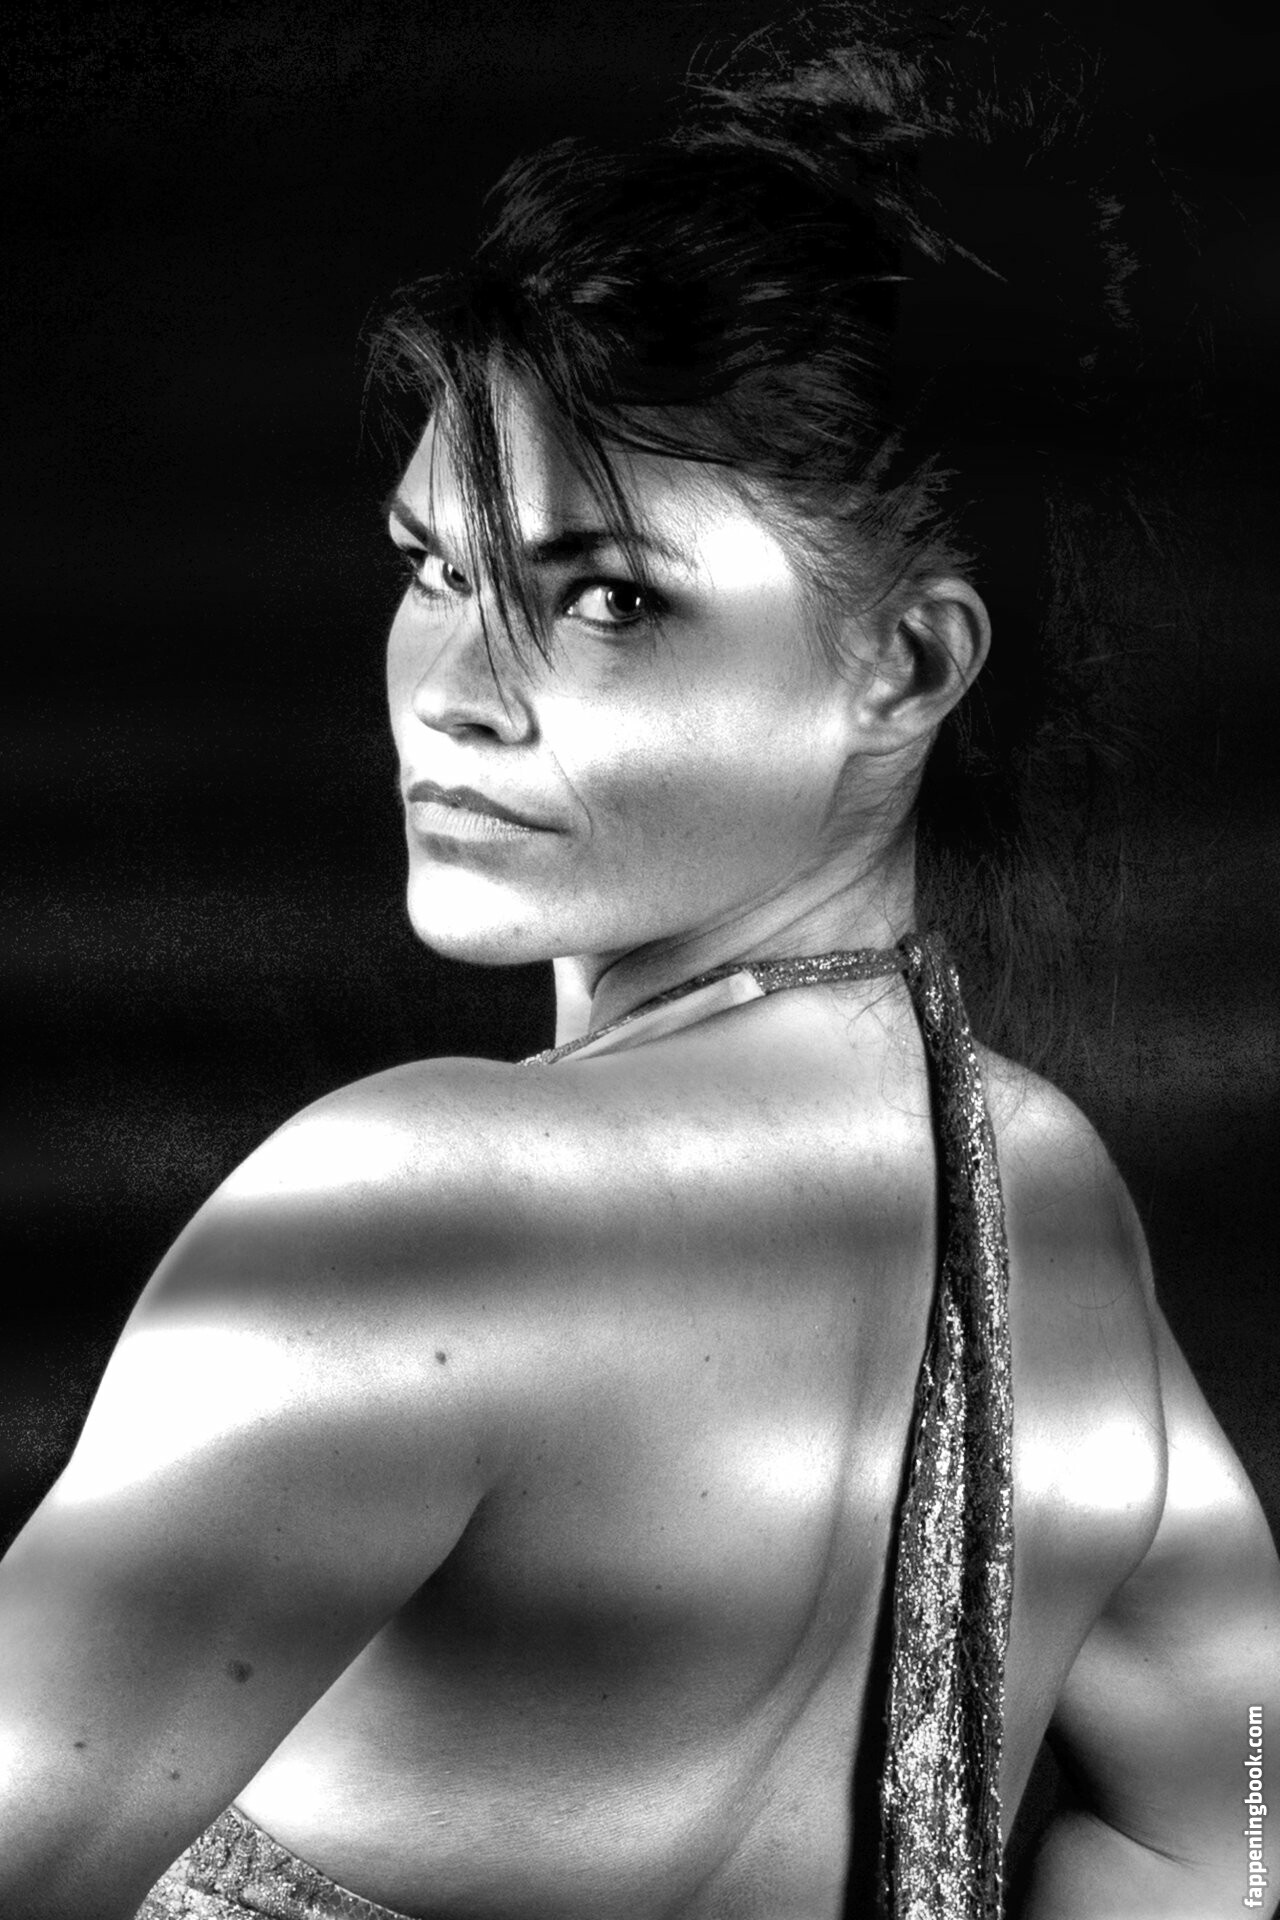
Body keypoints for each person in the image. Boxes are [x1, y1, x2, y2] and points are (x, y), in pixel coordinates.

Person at [1, 12, 1277, 1919]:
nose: (454, 693)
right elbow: (1234, 1818)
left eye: (605, 597)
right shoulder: (1048, 1199)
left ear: (906, 666)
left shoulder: (414, 1217)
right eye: (437, 569)